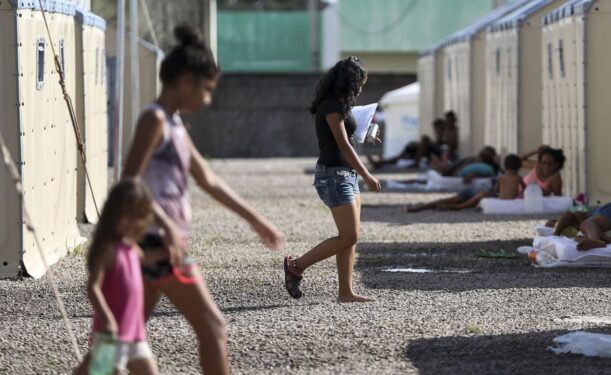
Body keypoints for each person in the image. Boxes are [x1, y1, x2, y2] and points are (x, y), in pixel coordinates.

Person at [121, 25, 284, 374]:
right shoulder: (154, 120)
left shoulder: (175, 125)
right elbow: (129, 183)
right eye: (207, 89)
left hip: (161, 242)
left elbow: (208, 179)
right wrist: (164, 224)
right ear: (186, 80)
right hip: (156, 244)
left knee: (121, 339)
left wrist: (255, 219)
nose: (208, 99)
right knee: (212, 327)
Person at [282, 56, 381, 303]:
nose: (361, 88)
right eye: (360, 83)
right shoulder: (331, 106)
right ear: (350, 81)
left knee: (349, 236)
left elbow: (348, 139)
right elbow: (342, 145)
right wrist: (367, 174)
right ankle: (297, 266)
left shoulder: (341, 105)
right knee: (350, 236)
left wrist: (366, 136)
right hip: (334, 175)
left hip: (345, 173)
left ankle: (345, 292)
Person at [74, 178, 158, 375]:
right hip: (111, 334)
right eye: (128, 216)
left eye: (139, 216)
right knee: (99, 371)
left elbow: (145, 260)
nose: (134, 222)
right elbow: (93, 287)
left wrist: (169, 252)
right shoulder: (108, 250)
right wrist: (107, 318)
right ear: (114, 214)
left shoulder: (132, 248)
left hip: (135, 333)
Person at [405, 153, 518, 213]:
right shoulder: (500, 175)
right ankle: (421, 207)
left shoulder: (497, 173)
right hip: (475, 191)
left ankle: (453, 207)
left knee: (477, 195)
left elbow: (497, 190)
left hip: (479, 192)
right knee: (447, 200)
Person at [367, 118, 445, 170]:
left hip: (431, 155)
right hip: (427, 153)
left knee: (400, 157)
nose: (436, 129)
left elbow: (443, 149)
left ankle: (380, 162)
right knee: (409, 148)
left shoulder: (445, 134)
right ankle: (380, 162)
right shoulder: (440, 135)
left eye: (437, 127)